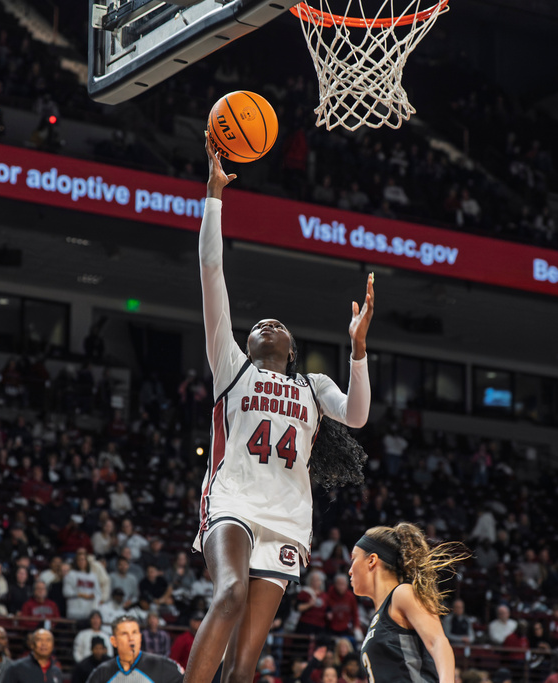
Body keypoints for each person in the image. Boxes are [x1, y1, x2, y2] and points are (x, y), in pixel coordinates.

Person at [185, 137, 374, 683]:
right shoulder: (232, 367)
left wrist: (359, 350)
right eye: (257, 325)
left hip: (288, 516)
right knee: (228, 596)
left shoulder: (314, 386)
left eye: (279, 326)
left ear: (290, 351)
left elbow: (358, 416)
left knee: (246, 664)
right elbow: (211, 273)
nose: (267, 323)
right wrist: (214, 198)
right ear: (244, 343)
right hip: (233, 499)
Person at [348, 523, 467, 683]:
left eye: (354, 559)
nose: (349, 570)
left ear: (372, 560)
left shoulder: (403, 593)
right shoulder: (380, 617)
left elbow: (437, 641)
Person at [87, 616, 183, 683]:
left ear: (140, 638)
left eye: (134, 633)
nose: (131, 638)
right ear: (114, 641)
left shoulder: (162, 665)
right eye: (124, 634)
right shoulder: (101, 673)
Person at [63, 549, 100, 620]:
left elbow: (98, 593)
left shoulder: (93, 576)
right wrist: (80, 594)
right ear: (76, 562)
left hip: (89, 612)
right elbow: (66, 592)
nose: (81, 562)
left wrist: (94, 596)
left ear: (87, 561)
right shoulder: (70, 575)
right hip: (74, 612)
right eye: (79, 560)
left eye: (83, 559)